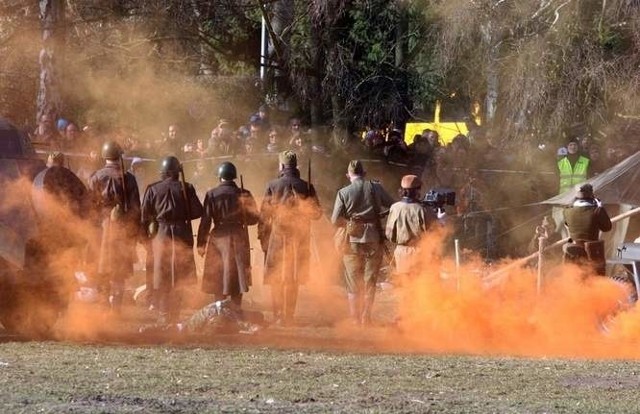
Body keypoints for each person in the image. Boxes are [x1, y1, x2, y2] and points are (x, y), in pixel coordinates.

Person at [258, 150, 322, 326]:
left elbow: (264, 215)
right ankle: (289, 316)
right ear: (295, 166)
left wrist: (262, 236)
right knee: (293, 277)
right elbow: (317, 214)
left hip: (277, 235)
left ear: (281, 166)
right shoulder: (306, 186)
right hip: (299, 236)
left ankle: (278, 315)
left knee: (277, 277)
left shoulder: (272, 184)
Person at [330, 160, 395, 325]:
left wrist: (350, 223)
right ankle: (366, 317)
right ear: (364, 173)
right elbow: (393, 206)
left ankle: (354, 318)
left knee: (352, 279)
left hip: (351, 240)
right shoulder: (376, 187)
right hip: (373, 238)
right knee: (370, 279)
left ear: (348, 175)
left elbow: (335, 220)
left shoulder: (343, 192)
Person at [141, 156, 204, 323]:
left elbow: (144, 216)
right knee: (179, 276)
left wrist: (146, 238)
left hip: (161, 234)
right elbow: (197, 212)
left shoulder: (153, 189)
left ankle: (163, 314)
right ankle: (174, 315)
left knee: (162, 275)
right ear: (177, 172)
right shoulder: (186, 187)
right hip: (182, 233)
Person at [87, 141, 142, 313]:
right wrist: (135, 231)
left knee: (103, 267)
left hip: (102, 228)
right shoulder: (129, 178)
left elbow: (89, 205)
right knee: (119, 269)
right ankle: (116, 307)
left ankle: (104, 306)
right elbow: (135, 208)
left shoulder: (95, 176)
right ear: (119, 156)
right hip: (123, 227)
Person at [196, 162, 260, 310]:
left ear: (220, 176)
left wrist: (201, 244)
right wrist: (243, 217)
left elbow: (206, 221)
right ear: (234, 176)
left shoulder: (212, 194)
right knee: (237, 275)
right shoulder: (244, 193)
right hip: (239, 235)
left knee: (218, 275)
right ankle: (236, 309)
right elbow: (254, 219)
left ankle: (219, 310)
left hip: (218, 237)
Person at [385, 175, 438, 279]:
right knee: (419, 288)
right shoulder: (423, 209)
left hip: (401, 254)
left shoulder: (394, 208)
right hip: (419, 254)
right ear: (417, 191)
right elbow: (434, 234)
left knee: (405, 288)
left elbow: (389, 234)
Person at [562, 184, 612, 275]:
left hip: (573, 250)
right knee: (596, 279)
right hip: (592, 252)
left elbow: (567, 225)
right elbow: (607, 227)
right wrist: (600, 207)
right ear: (591, 195)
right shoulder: (597, 210)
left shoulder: (567, 211)